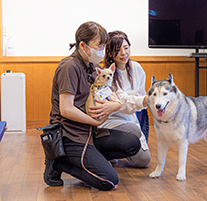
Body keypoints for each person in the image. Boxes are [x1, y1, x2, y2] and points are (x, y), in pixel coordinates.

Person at [44, 21, 141, 190]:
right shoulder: (69, 67)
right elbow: (66, 109)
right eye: (99, 46)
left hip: (90, 131)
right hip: (70, 135)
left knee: (133, 143)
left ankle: (91, 159)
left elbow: (106, 90)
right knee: (109, 181)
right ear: (83, 45)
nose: (102, 51)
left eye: (104, 46)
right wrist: (94, 121)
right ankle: (58, 163)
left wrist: (116, 104)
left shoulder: (91, 66)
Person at [99, 31, 151, 168]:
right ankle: (105, 151)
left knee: (144, 160)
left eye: (126, 47)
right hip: (111, 121)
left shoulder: (136, 68)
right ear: (109, 52)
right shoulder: (107, 74)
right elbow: (121, 103)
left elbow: (140, 96)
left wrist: (140, 100)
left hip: (130, 119)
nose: (124, 53)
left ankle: (116, 150)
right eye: (118, 50)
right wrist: (145, 100)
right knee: (133, 129)